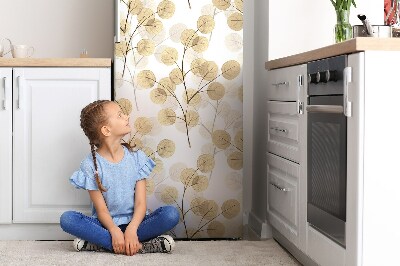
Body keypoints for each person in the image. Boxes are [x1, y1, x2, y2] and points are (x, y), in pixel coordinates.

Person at [60, 100, 180, 256]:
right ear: (106, 130)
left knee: (171, 214)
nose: (127, 116)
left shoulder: (136, 157)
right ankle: (142, 246)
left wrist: (132, 229)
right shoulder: (90, 165)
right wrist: (114, 230)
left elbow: (140, 203)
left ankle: (104, 244)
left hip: (137, 223)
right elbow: (102, 210)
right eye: (120, 115)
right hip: (106, 225)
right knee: (67, 219)